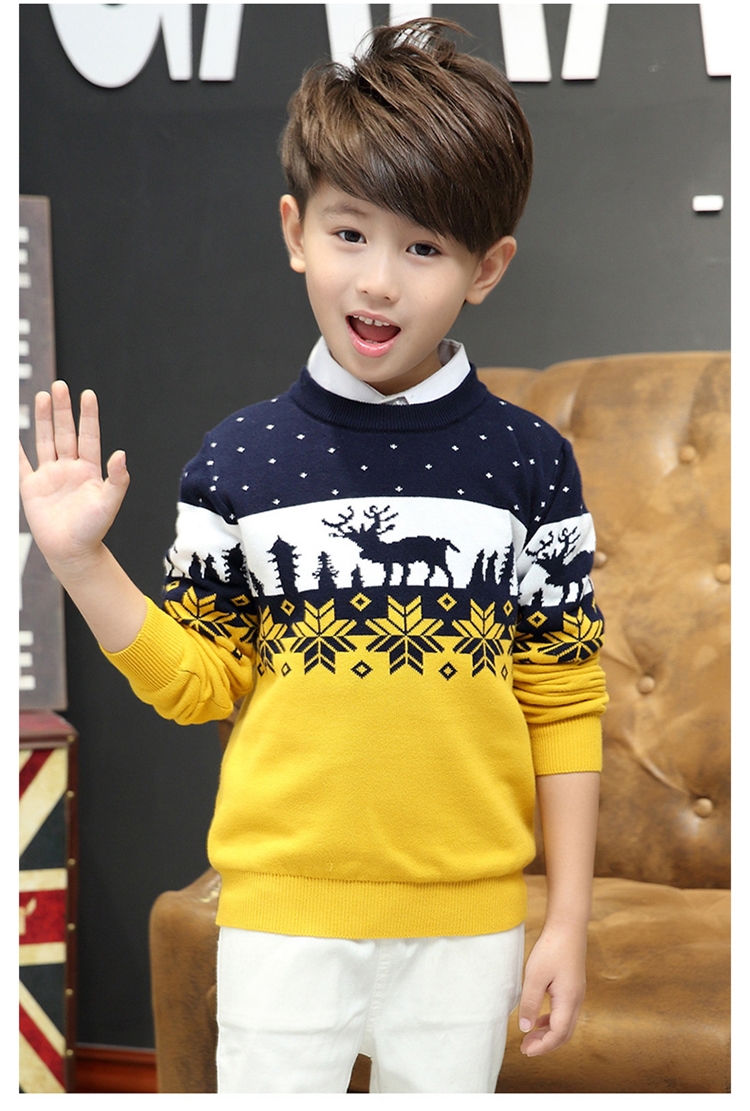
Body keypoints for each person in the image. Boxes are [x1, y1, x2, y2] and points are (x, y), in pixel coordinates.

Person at [19, 18, 607, 1094]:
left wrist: (566, 917)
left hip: (469, 931)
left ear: (487, 267)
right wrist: (80, 563)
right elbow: (200, 682)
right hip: (280, 924)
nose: (378, 281)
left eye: (424, 248)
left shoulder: (531, 463)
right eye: (350, 233)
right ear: (296, 230)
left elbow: (562, 696)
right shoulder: (238, 458)